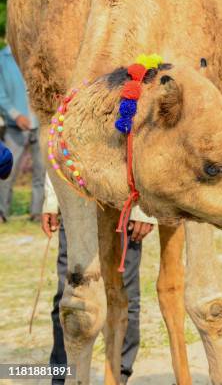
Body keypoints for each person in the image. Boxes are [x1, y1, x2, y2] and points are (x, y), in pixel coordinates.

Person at [42, 175, 155, 384]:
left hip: (121, 199)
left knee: (123, 295)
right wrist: (51, 199)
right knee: (69, 298)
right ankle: (62, 377)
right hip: (76, 202)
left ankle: (118, 376)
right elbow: (54, 144)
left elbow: (145, 144)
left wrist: (143, 207)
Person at [0, 44, 44, 223]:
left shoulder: (36, 53)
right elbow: (0, 93)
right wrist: (15, 115)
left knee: (41, 172)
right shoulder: (3, 59)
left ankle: (37, 212)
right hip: (15, 125)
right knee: (4, 170)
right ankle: (2, 212)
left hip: (40, 123)